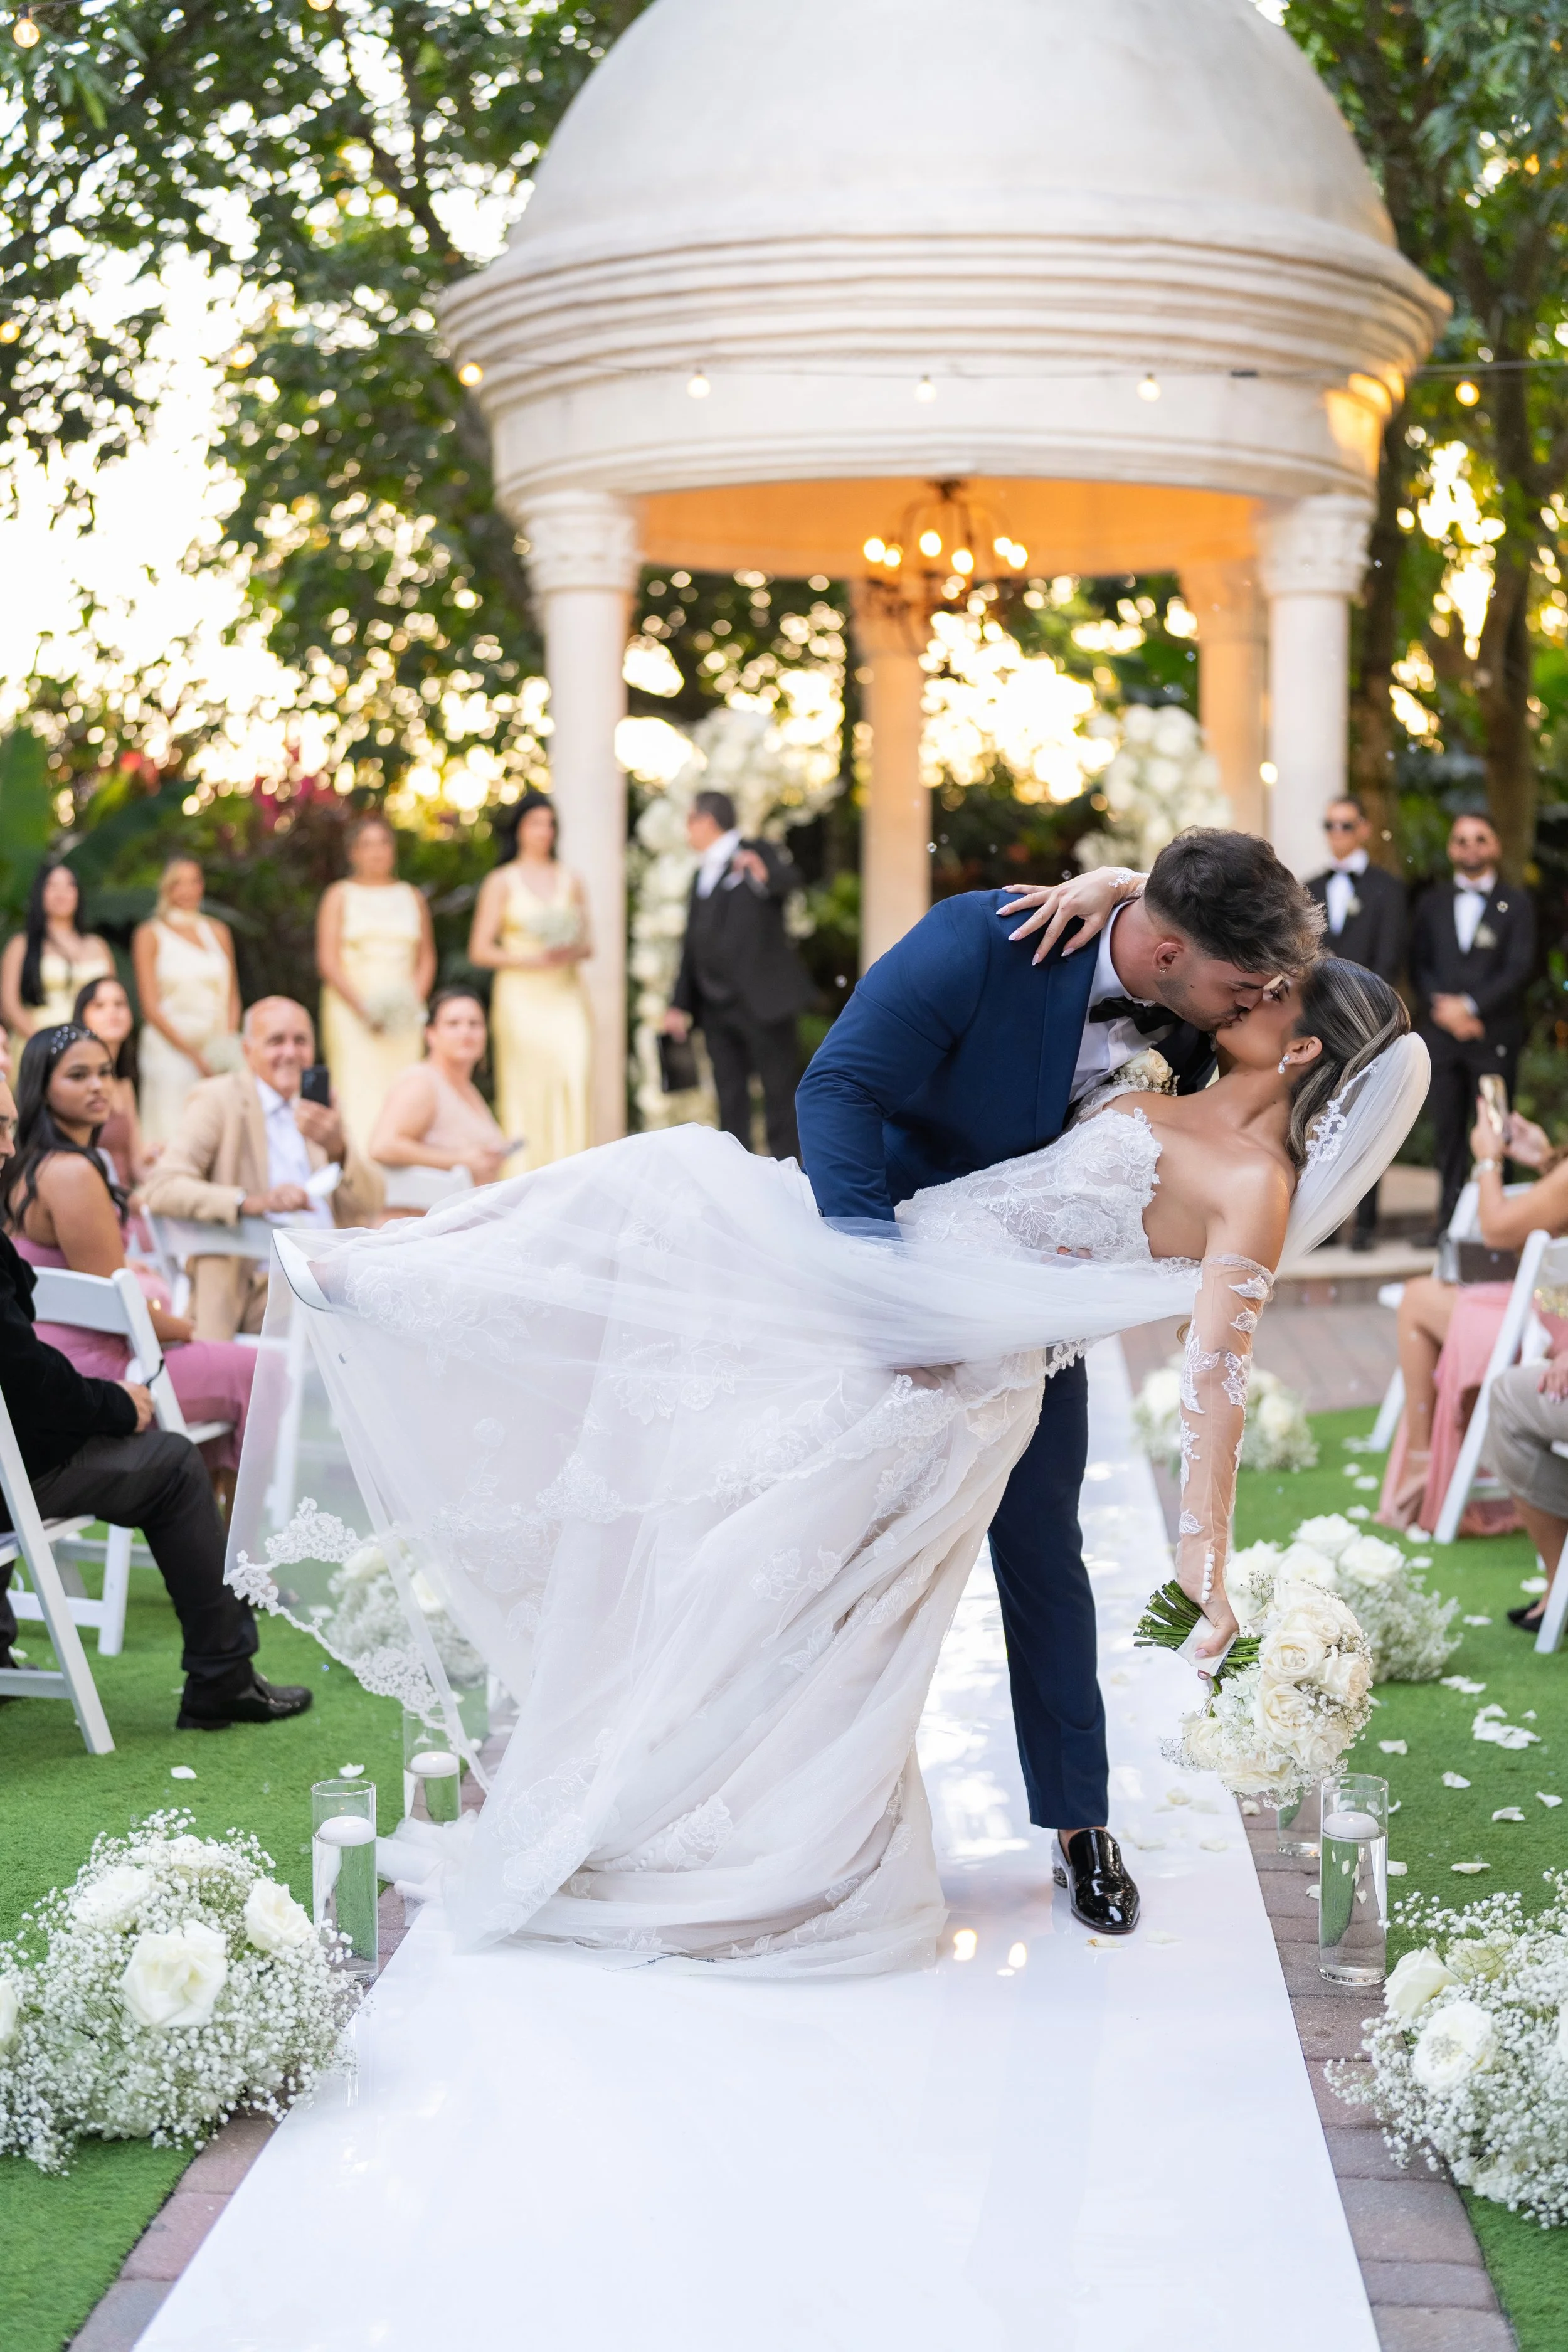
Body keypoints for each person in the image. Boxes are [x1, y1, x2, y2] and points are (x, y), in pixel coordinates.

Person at [230, 839, 1426, 1974]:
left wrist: (1201, 1557)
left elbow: (1218, 946)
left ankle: (1078, 1829)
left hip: (1016, 1331)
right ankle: (385, 1280)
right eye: (1245, 983)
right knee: (705, 1323)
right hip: (877, 1255)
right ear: (1167, 951)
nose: (1253, 996)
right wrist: (879, 1293)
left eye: (1267, 989)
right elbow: (841, 1087)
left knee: (1041, 1557)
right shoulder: (990, 941)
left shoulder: (1211, 1014)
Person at [0, 1064, 310, 1729]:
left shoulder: (36, 1177)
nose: (5, 1146)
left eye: (7, 1125)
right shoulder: (66, 1173)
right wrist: (116, 1404)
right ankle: (222, 1675)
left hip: (28, 1436)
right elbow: (26, 1376)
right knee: (170, 1462)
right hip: (13, 1472)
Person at [4, 1024, 258, 1498]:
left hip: (58, 1359)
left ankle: (213, 1540)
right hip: (100, 1370)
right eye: (78, 1076)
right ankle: (238, 1551)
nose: (99, 1085)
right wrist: (186, 1327)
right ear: (42, 1087)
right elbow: (116, 1311)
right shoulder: (73, 1173)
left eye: (105, 1072)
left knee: (234, 1372)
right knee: (266, 1372)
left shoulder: (25, 1163)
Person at [142, 997, 385, 1341]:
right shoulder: (218, 1099)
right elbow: (162, 1187)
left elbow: (373, 1200)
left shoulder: (317, 1107)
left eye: (300, 1041)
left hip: (329, 1272)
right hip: (255, 1285)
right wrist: (254, 1202)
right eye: (276, 1041)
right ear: (247, 1050)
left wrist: (339, 1148)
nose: (290, 1052)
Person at [1379, 1091, 1568, 1534]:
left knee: (1418, 1300)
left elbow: (1498, 1230)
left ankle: (1426, 1468)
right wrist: (1544, 1158)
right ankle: (1431, 1466)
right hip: (1548, 1309)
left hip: (1546, 1323)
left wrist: (1487, 1160)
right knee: (1424, 1296)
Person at [662, 788, 813, 1162]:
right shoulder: (701, 873)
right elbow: (692, 944)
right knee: (730, 1101)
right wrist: (678, 1004)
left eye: (690, 820)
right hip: (716, 1008)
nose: (687, 830)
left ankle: (793, 1183)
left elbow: (788, 880)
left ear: (707, 821)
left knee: (780, 1096)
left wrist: (762, 873)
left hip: (764, 1001)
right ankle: (740, 1184)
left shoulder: (757, 849)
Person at [1409, 812, 1535, 1236]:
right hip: (1442, 1039)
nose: (1470, 847)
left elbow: (1519, 969)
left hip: (1492, 1036)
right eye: (1461, 840)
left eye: (1480, 838)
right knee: (1448, 1131)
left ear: (1495, 846)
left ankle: (1501, 1226)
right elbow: (1418, 964)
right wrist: (1445, 1009)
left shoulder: (1515, 904)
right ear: (1451, 849)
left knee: (1500, 1131)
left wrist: (1472, 1007)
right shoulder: (1432, 903)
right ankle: (1447, 1222)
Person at [468, 791, 591, 1170]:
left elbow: (589, 944)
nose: (544, 832)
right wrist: (530, 960)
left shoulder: (571, 880)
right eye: (536, 823)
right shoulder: (501, 881)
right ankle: (523, 1175)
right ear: (519, 829)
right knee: (526, 1089)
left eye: (550, 824)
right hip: (521, 999)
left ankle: (572, 1172)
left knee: (573, 1076)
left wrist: (565, 951)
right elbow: (480, 949)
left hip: (566, 995)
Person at [1306, 796, 1406, 1251]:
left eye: (1347, 825)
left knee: (1370, 1115)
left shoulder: (1388, 889)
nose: (1338, 833)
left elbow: (1390, 958)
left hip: (1369, 1023)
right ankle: (1322, 1223)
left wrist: (1363, 1012)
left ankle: (1365, 1224)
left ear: (1364, 829)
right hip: (1318, 1024)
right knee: (1320, 1118)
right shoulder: (1308, 888)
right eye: (1331, 825)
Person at [317, 815, 437, 1153]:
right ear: (353, 853)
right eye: (367, 845)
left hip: (404, 1012)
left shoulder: (412, 897)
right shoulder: (339, 895)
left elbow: (426, 958)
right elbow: (328, 961)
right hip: (353, 1012)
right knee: (358, 1089)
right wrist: (364, 1009)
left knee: (404, 1088)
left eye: (384, 843)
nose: (377, 852)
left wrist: (411, 1002)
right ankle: (360, 1173)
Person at [131, 856, 242, 1148]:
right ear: (167, 888)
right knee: (174, 1128)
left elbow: (232, 996)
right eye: (179, 882)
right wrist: (194, 1056)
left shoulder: (218, 931)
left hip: (216, 1046)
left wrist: (226, 1047)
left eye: (195, 881)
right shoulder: (150, 934)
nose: (188, 890)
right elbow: (150, 1006)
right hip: (171, 1049)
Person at [368, 986, 509, 1204]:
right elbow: (383, 1145)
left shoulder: (469, 1089)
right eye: (453, 1024)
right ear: (430, 1034)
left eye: (475, 1024)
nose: (466, 1032)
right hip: (430, 1222)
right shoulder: (422, 1082)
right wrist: (460, 1160)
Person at [1, 861, 114, 1056]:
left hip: (94, 1048)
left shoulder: (99, 945)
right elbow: (9, 1005)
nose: (61, 893)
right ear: (40, 894)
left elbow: (113, 999)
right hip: (37, 1046)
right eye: (52, 886)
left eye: (69, 885)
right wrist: (47, 1045)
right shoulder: (21, 944)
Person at [73, 975, 149, 1190]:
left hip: (127, 1198)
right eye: (100, 1006)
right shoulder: (74, 1084)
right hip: (90, 1197)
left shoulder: (124, 1084)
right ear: (82, 1016)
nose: (112, 1012)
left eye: (120, 1004)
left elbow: (138, 1167)